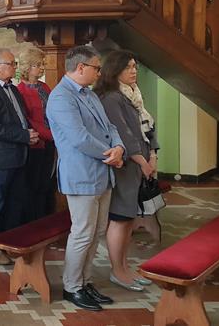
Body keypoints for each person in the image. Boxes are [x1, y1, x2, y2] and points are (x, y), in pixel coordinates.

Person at [46, 45, 125, 312]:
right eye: (96, 68)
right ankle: (72, 287)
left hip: (102, 171)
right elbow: (79, 138)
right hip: (81, 174)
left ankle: (85, 281)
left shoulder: (89, 94)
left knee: (97, 232)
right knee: (82, 233)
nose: (99, 73)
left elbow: (109, 126)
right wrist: (111, 155)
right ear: (81, 68)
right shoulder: (61, 97)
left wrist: (119, 147)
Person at [93, 50, 158, 293]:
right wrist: (143, 162)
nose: (133, 71)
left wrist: (153, 155)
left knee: (129, 219)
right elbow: (124, 134)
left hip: (140, 163)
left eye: (135, 66)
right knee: (120, 218)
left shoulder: (132, 94)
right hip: (126, 166)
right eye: (128, 67)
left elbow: (148, 127)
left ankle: (124, 266)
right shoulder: (111, 98)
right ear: (115, 70)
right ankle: (117, 270)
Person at [0, 48, 39, 265]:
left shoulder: (12, 88)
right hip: (0, 158)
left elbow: (20, 117)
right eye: (11, 63)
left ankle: (10, 244)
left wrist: (29, 133)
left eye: (14, 63)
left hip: (18, 153)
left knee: (15, 202)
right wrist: (24, 135)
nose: (15, 67)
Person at [16, 48, 55, 221]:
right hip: (36, 143)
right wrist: (50, 134)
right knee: (34, 184)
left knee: (47, 183)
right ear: (27, 67)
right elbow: (28, 120)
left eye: (42, 64)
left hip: (51, 140)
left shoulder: (44, 87)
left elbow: (53, 111)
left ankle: (46, 219)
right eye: (38, 65)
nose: (42, 68)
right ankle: (35, 221)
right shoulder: (20, 90)